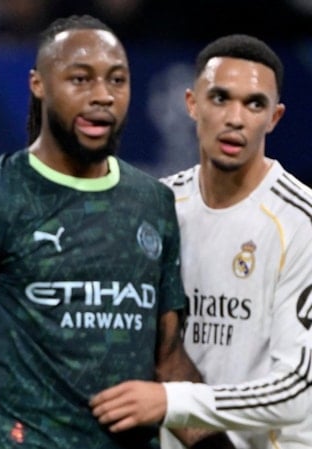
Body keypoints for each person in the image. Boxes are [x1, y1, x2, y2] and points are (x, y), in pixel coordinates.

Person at [0, 15, 235, 449]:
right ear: (39, 84)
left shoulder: (153, 203)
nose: (103, 95)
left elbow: (167, 361)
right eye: (80, 79)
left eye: (117, 80)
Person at [90, 34, 312, 449]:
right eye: (221, 98)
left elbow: (295, 391)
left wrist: (171, 401)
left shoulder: (301, 223)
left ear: (275, 117)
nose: (235, 118)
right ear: (192, 104)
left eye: (254, 104)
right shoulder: (155, 209)